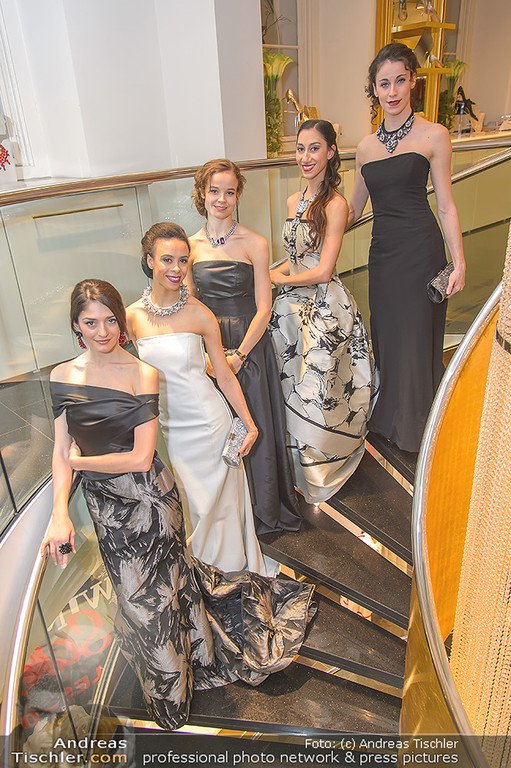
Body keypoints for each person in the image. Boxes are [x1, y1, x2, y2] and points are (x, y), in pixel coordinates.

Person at [42, 279, 315, 731]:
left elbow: (140, 457)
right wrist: (58, 514)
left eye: (110, 320)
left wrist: (80, 461)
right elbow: (59, 448)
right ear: (76, 326)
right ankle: (191, 656)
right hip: (106, 510)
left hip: (150, 503)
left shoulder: (141, 373)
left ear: (122, 323)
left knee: (154, 600)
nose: (102, 331)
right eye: (90, 323)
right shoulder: (61, 377)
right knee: (141, 601)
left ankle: (171, 697)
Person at [126, 222, 275, 575]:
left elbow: (223, 374)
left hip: (210, 424)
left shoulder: (200, 313)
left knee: (219, 509)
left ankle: (228, 578)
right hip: (174, 430)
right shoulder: (131, 318)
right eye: (167, 260)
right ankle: (210, 576)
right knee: (196, 507)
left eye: (183, 261)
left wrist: (249, 424)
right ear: (149, 261)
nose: (176, 269)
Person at [348, 43, 465, 453]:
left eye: (400, 80)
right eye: (384, 84)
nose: (392, 91)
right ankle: (389, 420)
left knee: (416, 337)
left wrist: (459, 262)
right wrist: (313, 221)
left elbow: (446, 205)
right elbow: (352, 209)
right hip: (383, 255)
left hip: (420, 251)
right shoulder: (365, 148)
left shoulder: (434, 135)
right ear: (374, 89)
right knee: (388, 333)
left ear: (413, 81)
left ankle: (418, 427)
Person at [188, 158, 302, 536]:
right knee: (219, 428)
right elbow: (191, 307)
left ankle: (263, 509)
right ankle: (229, 515)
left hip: (249, 345)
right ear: (202, 193)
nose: (221, 199)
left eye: (230, 192)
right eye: (214, 191)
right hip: (210, 348)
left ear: (238, 195)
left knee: (255, 424)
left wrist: (238, 356)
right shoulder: (190, 248)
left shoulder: (255, 243)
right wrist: (210, 355)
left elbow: (265, 308)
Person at [269, 119, 377, 504]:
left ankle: (319, 468)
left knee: (316, 387)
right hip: (289, 303)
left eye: (314, 148)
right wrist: (268, 273)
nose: (305, 157)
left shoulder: (336, 204)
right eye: (300, 149)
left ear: (330, 152)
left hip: (323, 304)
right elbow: (295, 257)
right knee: (287, 383)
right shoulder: (292, 201)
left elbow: (323, 270)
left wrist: (276, 279)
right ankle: (293, 467)